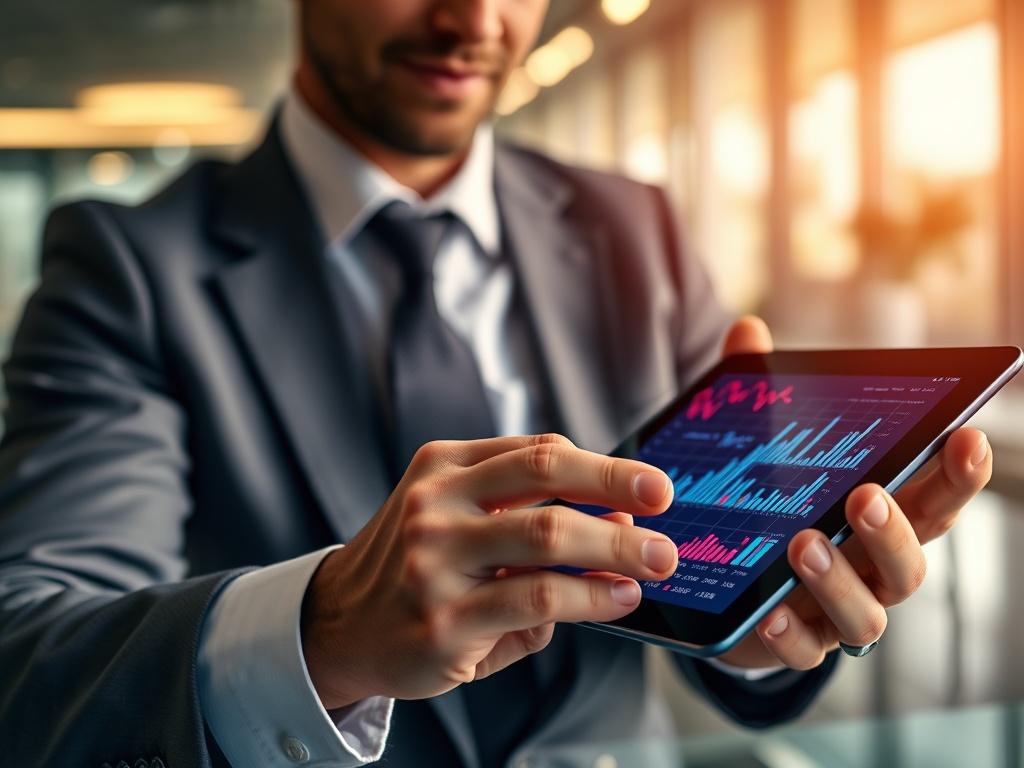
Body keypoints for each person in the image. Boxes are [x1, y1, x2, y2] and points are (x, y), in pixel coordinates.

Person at [0, 1, 993, 767]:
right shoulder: (127, 268)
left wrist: (763, 619)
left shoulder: (634, 229)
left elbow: (711, 600)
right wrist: (324, 629)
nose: (476, 20)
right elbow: (30, 651)